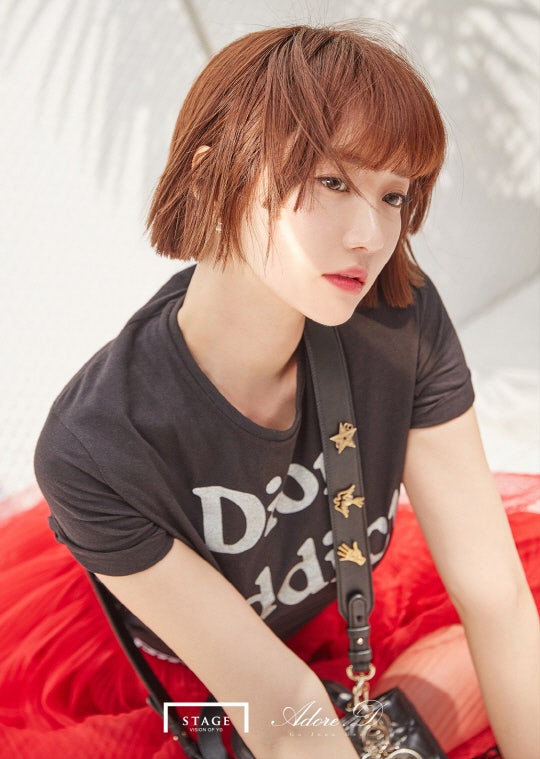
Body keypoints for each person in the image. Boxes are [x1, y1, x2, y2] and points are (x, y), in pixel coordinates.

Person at [24, 22, 539, 759]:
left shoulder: (398, 322)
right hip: (191, 683)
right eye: (332, 181)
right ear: (216, 176)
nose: (371, 235)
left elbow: (497, 599)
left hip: (339, 629)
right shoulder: (98, 446)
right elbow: (281, 708)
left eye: (394, 195)